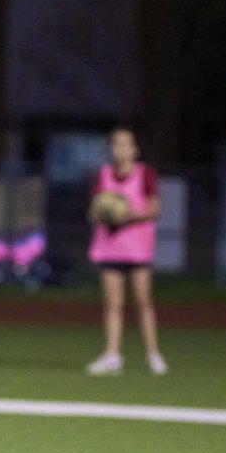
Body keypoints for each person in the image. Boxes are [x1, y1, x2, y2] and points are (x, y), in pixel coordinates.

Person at [85, 126, 168, 376]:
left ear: (135, 149)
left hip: (138, 250)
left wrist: (128, 214)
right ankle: (112, 355)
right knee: (113, 304)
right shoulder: (103, 175)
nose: (121, 149)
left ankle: (153, 355)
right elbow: (93, 211)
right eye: (117, 144)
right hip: (109, 249)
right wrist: (105, 212)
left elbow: (155, 209)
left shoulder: (145, 174)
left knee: (143, 302)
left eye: (126, 144)